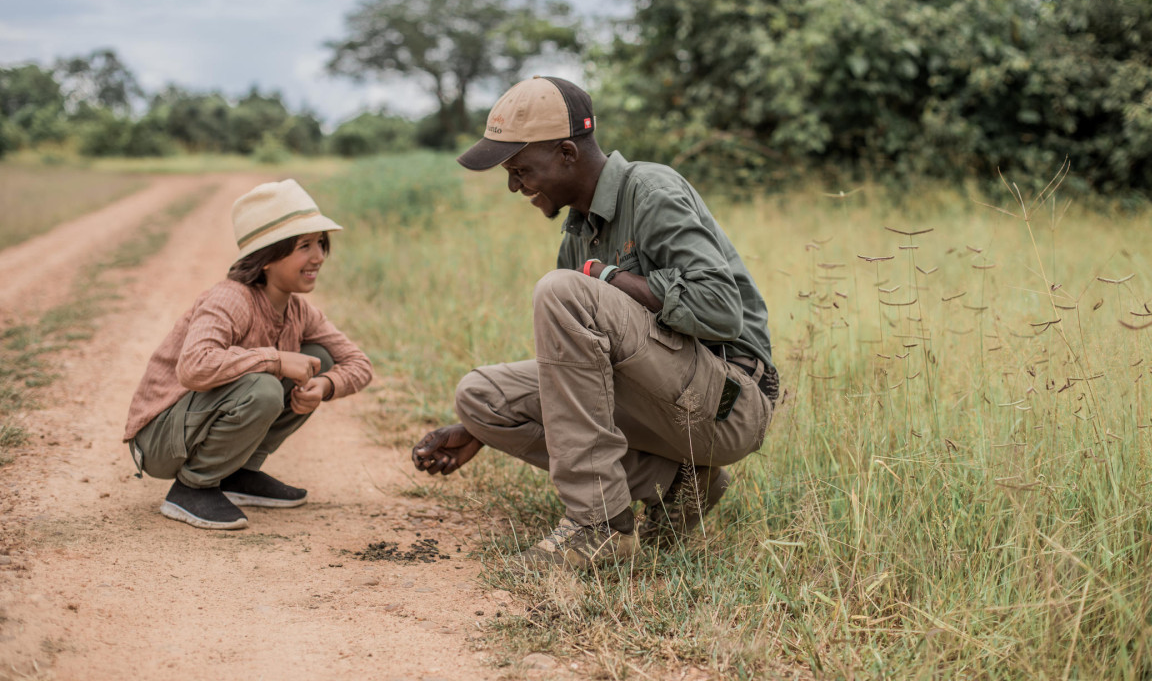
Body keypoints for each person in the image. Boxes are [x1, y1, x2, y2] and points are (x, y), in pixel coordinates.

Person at [411, 76, 778, 569]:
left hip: (728, 404)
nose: (514, 185)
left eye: (522, 169)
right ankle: (676, 482)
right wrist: (480, 429)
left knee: (561, 289)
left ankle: (599, 526)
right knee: (481, 397)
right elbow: (576, 367)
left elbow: (720, 308)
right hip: (665, 405)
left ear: (567, 152)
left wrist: (609, 278)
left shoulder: (651, 189)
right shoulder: (579, 229)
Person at [123, 179, 373, 530]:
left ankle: (237, 472)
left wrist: (326, 386)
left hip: (191, 428)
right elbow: (193, 367)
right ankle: (192, 488)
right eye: (304, 245)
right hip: (160, 439)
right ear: (268, 257)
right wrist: (276, 359)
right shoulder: (230, 298)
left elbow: (359, 364)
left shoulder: (300, 311)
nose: (318, 256)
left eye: (320, 243)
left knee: (320, 360)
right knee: (265, 386)